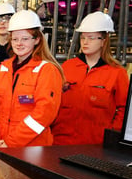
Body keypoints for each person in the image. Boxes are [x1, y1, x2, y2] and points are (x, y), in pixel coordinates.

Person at [0, 10, 64, 179]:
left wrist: (10, 143)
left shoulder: (46, 70)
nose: (19, 43)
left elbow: (43, 114)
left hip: (31, 149)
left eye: (25, 38)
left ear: (37, 40)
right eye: (15, 38)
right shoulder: (3, 69)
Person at [52, 11, 129, 145]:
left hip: (95, 144)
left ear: (104, 41)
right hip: (61, 141)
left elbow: (124, 110)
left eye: (91, 38)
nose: (85, 42)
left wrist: (111, 135)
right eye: (83, 38)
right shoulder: (68, 67)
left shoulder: (117, 72)